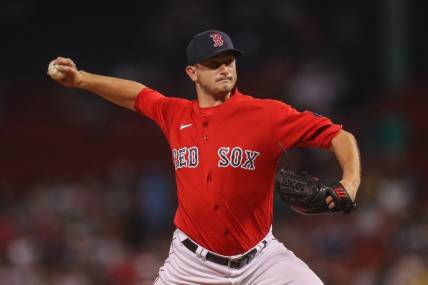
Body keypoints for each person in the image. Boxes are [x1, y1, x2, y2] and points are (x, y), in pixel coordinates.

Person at [48, 30, 361, 285]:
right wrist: (82, 80)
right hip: (191, 265)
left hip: (262, 262)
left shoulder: (267, 114)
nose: (224, 68)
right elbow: (136, 94)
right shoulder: (175, 114)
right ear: (192, 72)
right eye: (213, 63)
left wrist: (350, 181)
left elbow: (339, 136)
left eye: (228, 61)